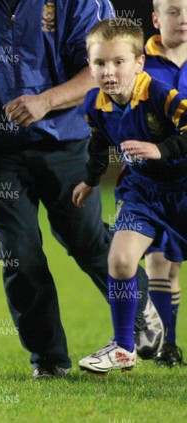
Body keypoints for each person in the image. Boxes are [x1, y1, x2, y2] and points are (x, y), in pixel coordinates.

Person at [0, 0, 163, 379]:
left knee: (83, 238)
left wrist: (44, 102)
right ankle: (48, 359)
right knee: (19, 254)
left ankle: (141, 304)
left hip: (66, 139)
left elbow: (99, 66)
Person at [75, 19, 187, 374]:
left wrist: (160, 149)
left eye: (118, 62)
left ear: (139, 63)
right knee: (121, 261)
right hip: (142, 191)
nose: (109, 72)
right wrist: (90, 180)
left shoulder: (162, 93)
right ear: (89, 65)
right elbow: (98, 144)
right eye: (100, 63)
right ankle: (124, 347)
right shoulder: (95, 104)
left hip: (183, 190)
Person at [141, 0, 186, 366]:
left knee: (174, 265)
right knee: (158, 261)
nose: (183, 19)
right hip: (151, 180)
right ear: (156, 18)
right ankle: (164, 345)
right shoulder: (139, 63)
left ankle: (167, 342)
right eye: (173, 11)